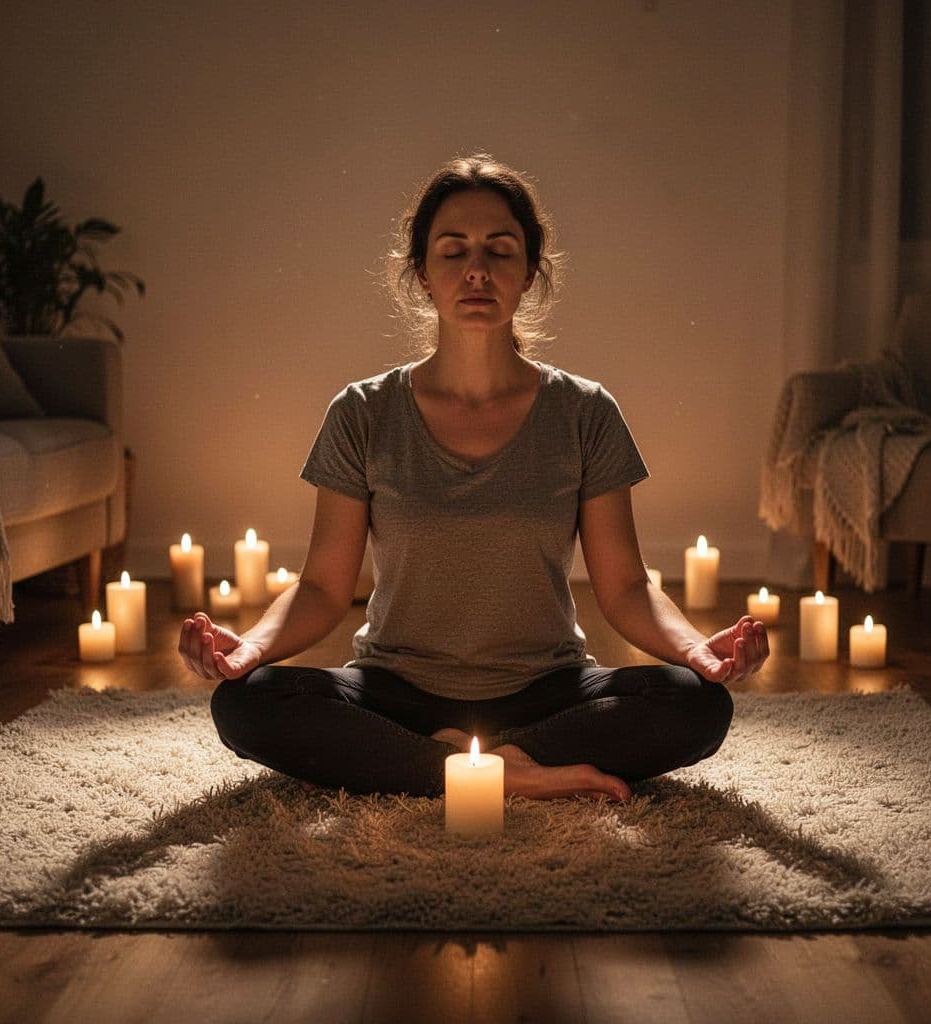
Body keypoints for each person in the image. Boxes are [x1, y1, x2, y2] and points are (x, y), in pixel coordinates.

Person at [179, 154, 769, 803]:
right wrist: (249, 649)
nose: (477, 270)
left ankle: (463, 766)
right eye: (454, 250)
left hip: (546, 693)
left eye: (500, 249)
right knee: (247, 703)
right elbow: (321, 588)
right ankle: (510, 775)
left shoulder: (585, 413)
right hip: (396, 690)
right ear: (422, 274)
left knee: (696, 704)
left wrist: (698, 652)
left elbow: (626, 587)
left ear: (530, 273)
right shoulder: (362, 413)